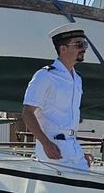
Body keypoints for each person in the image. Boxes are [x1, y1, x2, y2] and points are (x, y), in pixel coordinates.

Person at [23, 25, 91, 170]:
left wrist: (78, 153)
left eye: (85, 44)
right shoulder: (45, 76)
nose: (84, 48)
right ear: (63, 49)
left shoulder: (77, 79)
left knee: (82, 190)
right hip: (53, 149)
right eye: (79, 44)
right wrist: (45, 143)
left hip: (73, 147)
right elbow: (27, 112)